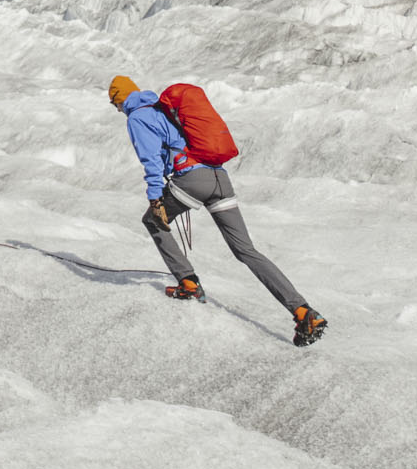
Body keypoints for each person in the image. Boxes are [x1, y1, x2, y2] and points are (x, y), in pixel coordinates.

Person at [112, 74, 328, 346]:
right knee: (246, 251)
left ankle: (188, 284)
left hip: (191, 179)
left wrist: (156, 199)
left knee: (154, 221)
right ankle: (303, 312)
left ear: (121, 100)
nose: (117, 109)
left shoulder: (138, 117)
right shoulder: (163, 109)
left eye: (115, 104)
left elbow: (151, 160)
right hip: (219, 177)